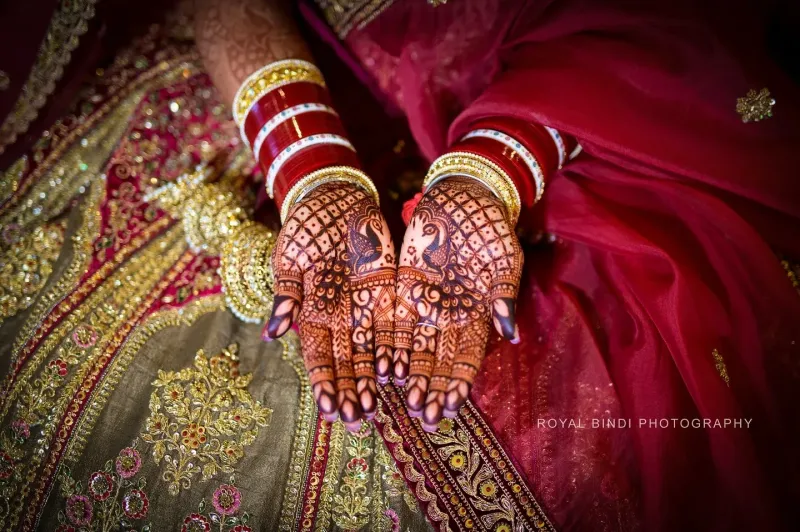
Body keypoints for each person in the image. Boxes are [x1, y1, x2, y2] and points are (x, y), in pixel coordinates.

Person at [0, 0, 797, 530]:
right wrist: (307, 162)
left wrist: (492, 172)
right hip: (282, 67)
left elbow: (669, 27)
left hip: (584, 115)